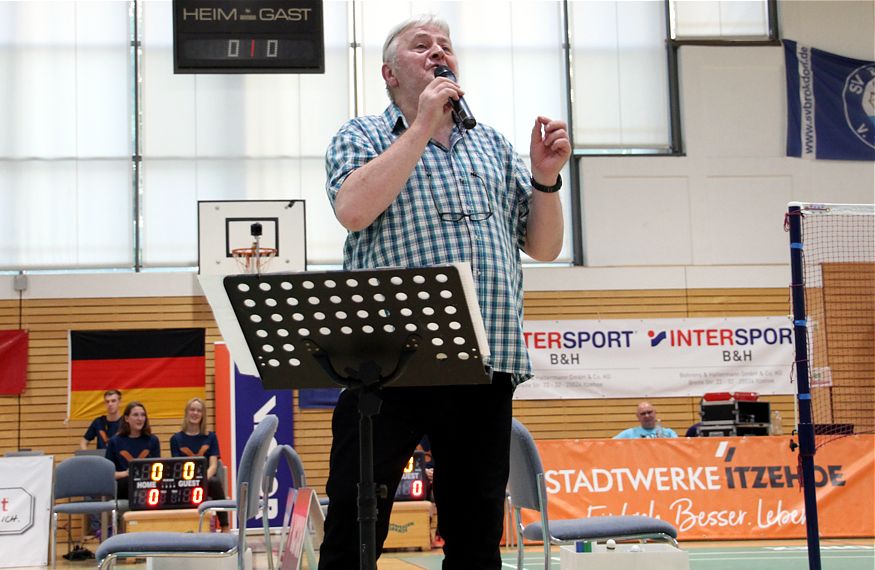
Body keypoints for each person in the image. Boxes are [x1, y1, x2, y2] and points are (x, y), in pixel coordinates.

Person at [319, 14, 570, 569]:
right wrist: (421, 124)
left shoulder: (494, 147)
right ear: (390, 73)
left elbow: (544, 246)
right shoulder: (360, 136)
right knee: (354, 530)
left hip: (486, 360)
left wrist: (546, 178)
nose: (439, 53)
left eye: (446, 46)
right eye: (421, 46)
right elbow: (353, 211)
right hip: (386, 364)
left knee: (475, 534)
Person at [169, 397, 229, 532]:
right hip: (184, 481)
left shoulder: (211, 437)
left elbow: (213, 465)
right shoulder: (176, 439)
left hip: (205, 480)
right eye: (192, 410)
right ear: (187, 413)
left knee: (215, 482)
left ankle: (225, 526)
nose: (195, 413)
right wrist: (191, 481)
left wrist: (201, 479)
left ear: (202, 415)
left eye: (199, 411)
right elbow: (177, 465)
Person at [105, 401, 161, 500]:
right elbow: (108, 474)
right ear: (127, 418)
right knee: (129, 482)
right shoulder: (115, 441)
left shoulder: (153, 440)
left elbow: (158, 470)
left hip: (148, 484)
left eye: (143, 415)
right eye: (135, 415)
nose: (140, 419)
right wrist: (126, 473)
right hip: (124, 485)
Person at [614, 401, 678, 439]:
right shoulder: (628, 434)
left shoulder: (669, 433)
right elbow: (610, 446)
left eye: (649, 412)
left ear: (655, 413)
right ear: (638, 416)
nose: (647, 416)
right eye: (643, 413)